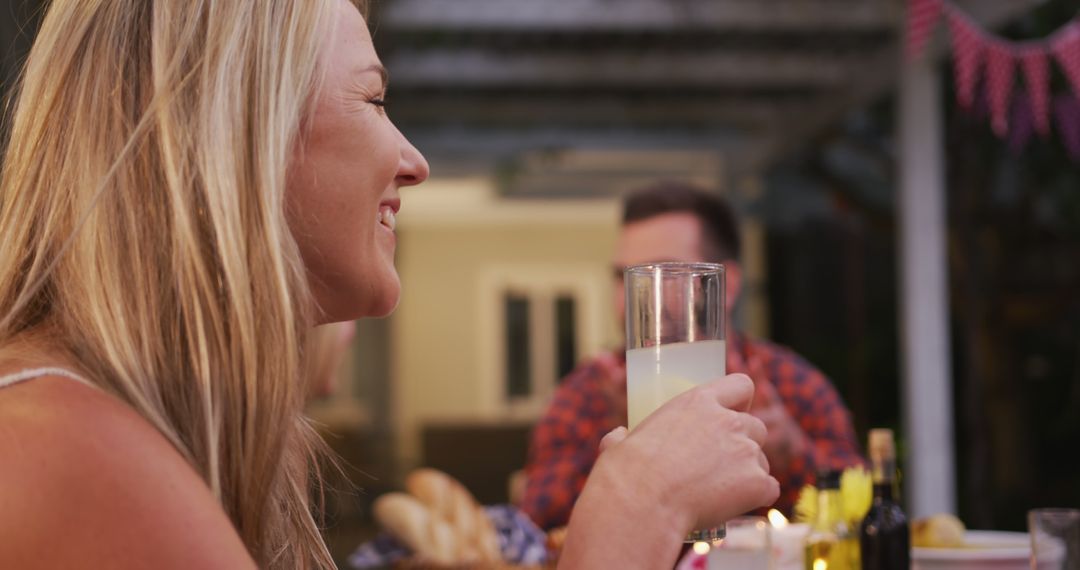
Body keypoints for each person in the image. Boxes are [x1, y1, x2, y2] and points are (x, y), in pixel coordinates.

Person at [0, 2, 776, 568]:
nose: (414, 161)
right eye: (373, 100)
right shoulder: (79, 458)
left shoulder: (124, 428)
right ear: (235, 134)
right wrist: (633, 514)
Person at [523, 181, 864, 530]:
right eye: (623, 277)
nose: (632, 298)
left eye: (664, 273)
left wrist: (791, 453)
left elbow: (861, 514)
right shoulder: (588, 394)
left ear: (726, 286)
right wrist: (630, 456)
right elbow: (538, 528)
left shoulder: (789, 385)